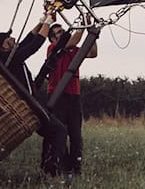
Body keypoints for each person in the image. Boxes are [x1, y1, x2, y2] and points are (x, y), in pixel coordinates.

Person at [0, 11, 66, 176]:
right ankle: (53, 168)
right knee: (59, 130)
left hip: (30, 102)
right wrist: (47, 23)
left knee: (52, 132)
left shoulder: (9, 55)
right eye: (9, 39)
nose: (13, 39)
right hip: (27, 105)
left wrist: (42, 20)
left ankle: (47, 167)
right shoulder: (8, 59)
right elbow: (34, 45)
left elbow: (28, 38)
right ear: (4, 46)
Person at [41, 22, 97, 175]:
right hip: (57, 96)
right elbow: (75, 38)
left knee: (76, 135)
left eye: (62, 31)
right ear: (52, 39)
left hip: (74, 96)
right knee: (59, 133)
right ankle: (58, 166)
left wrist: (92, 34)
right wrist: (85, 25)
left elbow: (92, 52)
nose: (63, 33)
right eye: (59, 32)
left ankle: (75, 168)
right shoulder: (53, 48)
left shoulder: (73, 49)